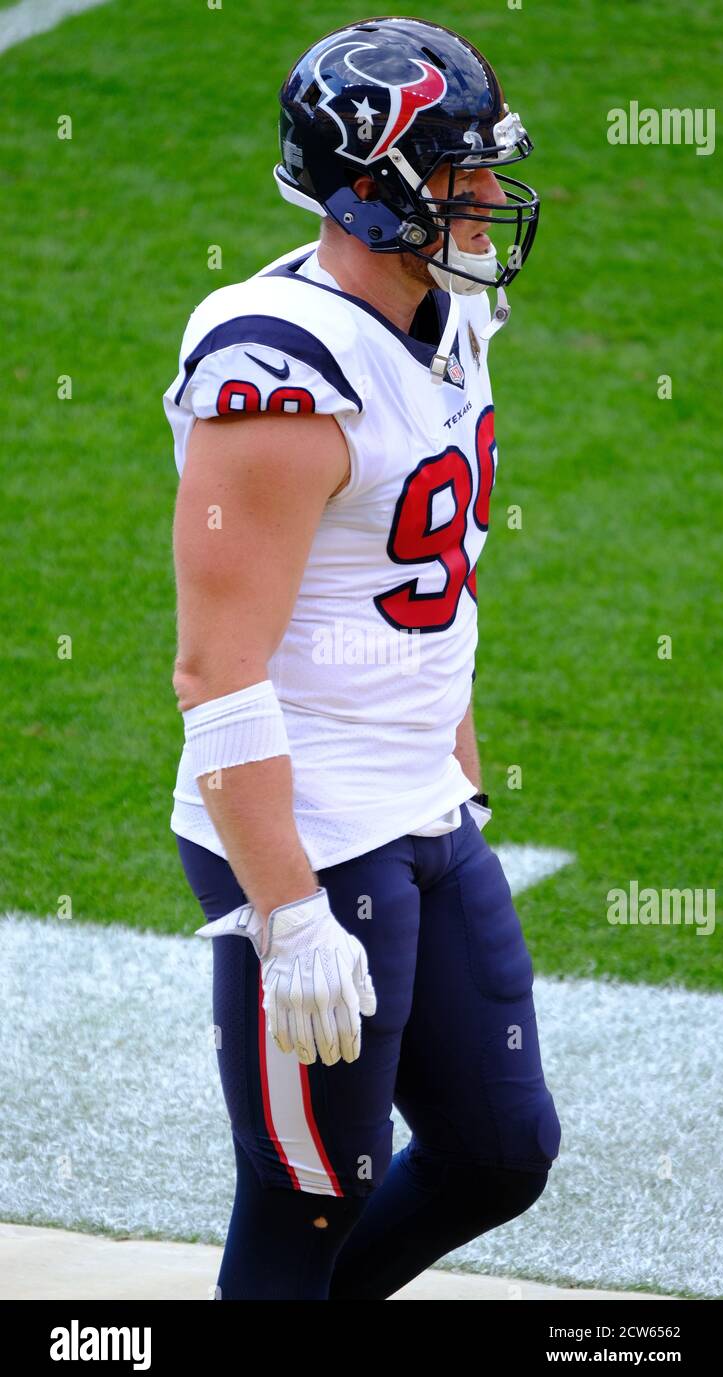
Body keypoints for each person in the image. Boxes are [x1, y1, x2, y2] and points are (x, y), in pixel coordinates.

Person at [163, 14, 560, 1301]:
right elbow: (215, 669)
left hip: (421, 807)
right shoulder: (279, 369)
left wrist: (459, 773)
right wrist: (287, 913)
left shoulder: (444, 317)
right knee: (309, 1196)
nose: (486, 194)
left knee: (498, 1150)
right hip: (312, 829)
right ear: (371, 188)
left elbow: (419, 592)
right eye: (458, 169)